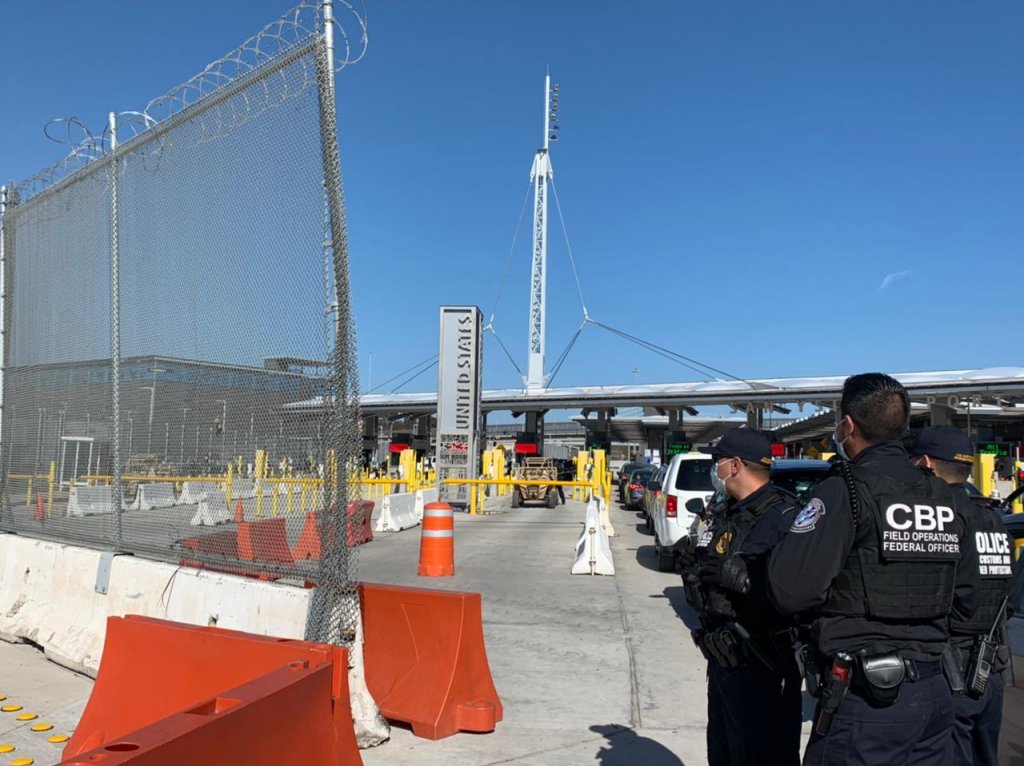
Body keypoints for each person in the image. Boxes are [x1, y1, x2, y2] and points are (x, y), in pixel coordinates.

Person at [768, 373, 980, 765]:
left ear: (848, 425)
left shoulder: (846, 488)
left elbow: (792, 590)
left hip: (867, 701)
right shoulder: (945, 496)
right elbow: (969, 600)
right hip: (936, 693)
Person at [679, 428, 802, 766]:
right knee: (723, 750)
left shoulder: (784, 518)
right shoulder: (724, 512)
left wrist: (744, 580)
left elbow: (798, 592)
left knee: (764, 755)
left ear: (734, 465)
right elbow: (701, 566)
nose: (713, 468)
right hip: (722, 660)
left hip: (763, 664)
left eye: (717, 461)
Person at [910, 426, 1015, 766]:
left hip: (951, 666)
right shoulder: (995, 521)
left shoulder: (937, 517)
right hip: (991, 665)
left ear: (925, 463)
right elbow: (1007, 597)